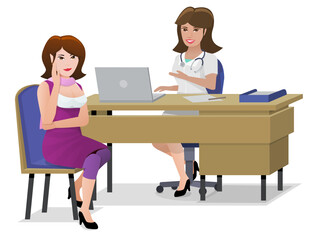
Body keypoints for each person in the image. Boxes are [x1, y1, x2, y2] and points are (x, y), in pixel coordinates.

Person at [37, 35, 111, 229]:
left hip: (75, 138)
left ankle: (77, 186)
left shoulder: (78, 86)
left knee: (105, 152)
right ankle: (85, 210)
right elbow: (46, 122)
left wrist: (58, 123)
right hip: (56, 145)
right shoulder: (45, 87)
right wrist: (56, 87)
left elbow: (83, 119)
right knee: (93, 159)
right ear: (51, 58)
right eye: (62, 57)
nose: (69, 63)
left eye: (73, 57)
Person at [153, 7, 222, 197]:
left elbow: (210, 83)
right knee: (156, 138)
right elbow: (184, 85)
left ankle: (183, 178)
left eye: (195, 30)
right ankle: (188, 164)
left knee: (171, 136)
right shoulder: (179, 58)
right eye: (185, 29)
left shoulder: (209, 58)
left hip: (199, 110)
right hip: (179, 107)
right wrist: (169, 88)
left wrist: (186, 77)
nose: (189, 35)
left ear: (205, 32)